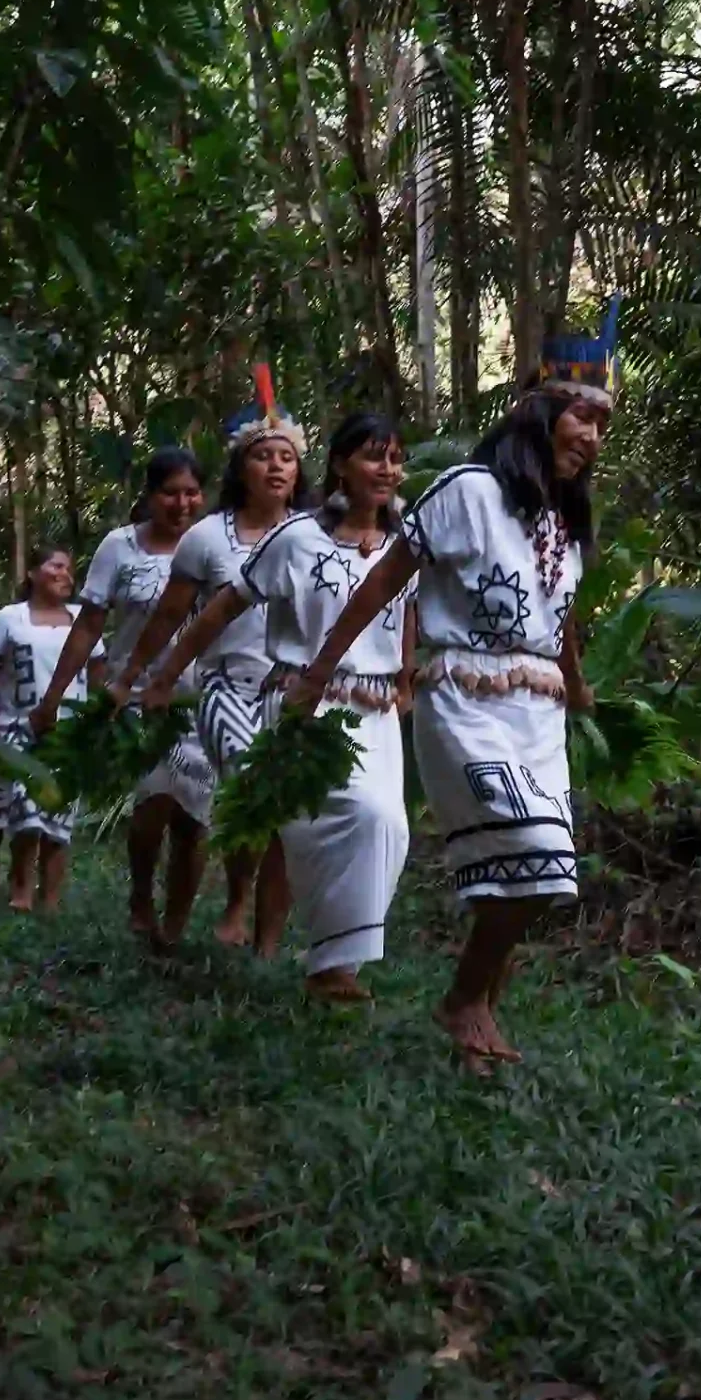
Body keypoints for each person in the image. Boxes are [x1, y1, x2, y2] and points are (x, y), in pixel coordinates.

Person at [286, 367, 611, 1069]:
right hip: (466, 695)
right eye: (579, 414)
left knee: (547, 873)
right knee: (530, 847)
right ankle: (465, 1000)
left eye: (601, 424)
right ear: (537, 413)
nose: (590, 435)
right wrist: (319, 670)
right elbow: (385, 579)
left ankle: (479, 1012)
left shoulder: (563, 518)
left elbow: (563, 612)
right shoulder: (469, 490)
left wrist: (579, 687)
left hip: (540, 708)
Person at [142, 412, 414, 1002]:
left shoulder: (405, 542)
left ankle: (332, 960)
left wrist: (409, 678)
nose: (387, 469)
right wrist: (165, 673)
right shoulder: (296, 539)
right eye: (373, 456)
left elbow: (408, 613)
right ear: (341, 464)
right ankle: (329, 963)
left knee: (388, 827)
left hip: (376, 705)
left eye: (395, 458)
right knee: (348, 815)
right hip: (303, 705)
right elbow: (222, 608)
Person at [122, 400, 311, 947]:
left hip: (293, 687)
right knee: (242, 790)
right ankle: (174, 913)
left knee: (279, 813)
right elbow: (169, 618)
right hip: (222, 685)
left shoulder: (316, 535)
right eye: (263, 457)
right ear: (239, 470)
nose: (276, 468)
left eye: (286, 458)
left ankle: (251, 919)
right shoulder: (207, 538)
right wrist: (139, 676)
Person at [30, 448, 209, 945]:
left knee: (195, 816)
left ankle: (174, 924)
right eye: (169, 492)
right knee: (154, 802)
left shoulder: (219, 543)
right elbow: (90, 624)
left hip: (203, 699)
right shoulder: (119, 548)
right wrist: (54, 696)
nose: (181, 503)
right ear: (149, 496)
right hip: (136, 696)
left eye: (191, 492)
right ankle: (141, 898)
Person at [0, 547, 94, 913]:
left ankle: (49, 899)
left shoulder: (84, 619)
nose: (66, 574)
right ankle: (20, 892)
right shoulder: (9, 619)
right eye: (57, 566)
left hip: (70, 732)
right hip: (19, 728)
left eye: (70, 568)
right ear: (33, 572)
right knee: (26, 814)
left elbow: (99, 676)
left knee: (58, 821)